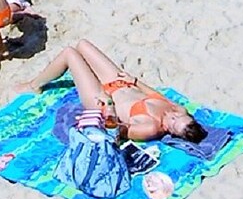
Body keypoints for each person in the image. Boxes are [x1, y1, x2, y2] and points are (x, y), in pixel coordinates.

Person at [21, 38, 207, 144]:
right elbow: (155, 96)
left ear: (171, 133)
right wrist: (134, 81)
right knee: (82, 45)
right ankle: (83, 74)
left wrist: (108, 103)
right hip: (120, 84)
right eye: (177, 116)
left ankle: (34, 85)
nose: (172, 116)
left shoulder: (149, 128)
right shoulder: (178, 111)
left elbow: (116, 132)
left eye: (173, 123)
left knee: (70, 53)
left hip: (101, 101)